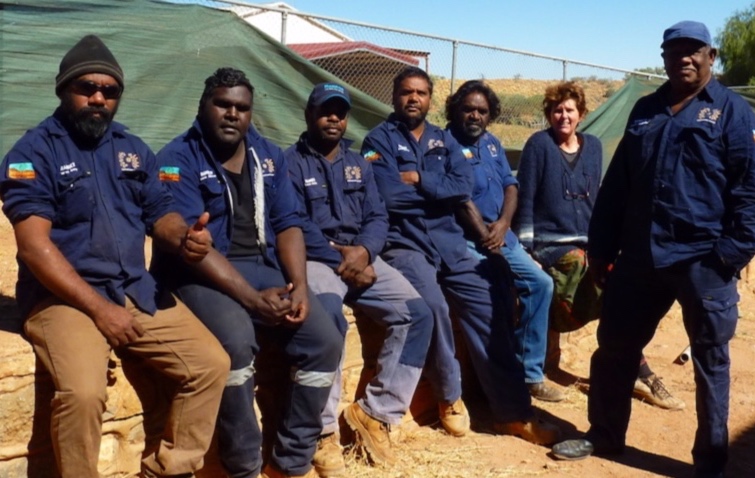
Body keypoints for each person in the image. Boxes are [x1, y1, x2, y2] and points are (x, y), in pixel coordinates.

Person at [550, 21, 755, 478]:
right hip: (639, 259)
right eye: (674, 52)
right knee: (614, 348)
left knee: (710, 358)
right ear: (665, 57)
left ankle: (710, 459)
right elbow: (617, 187)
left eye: (694, 51)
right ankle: (606, 435)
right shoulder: (645, 110)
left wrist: (728, 257)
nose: (684, 59)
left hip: (703, 260)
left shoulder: (732, 113)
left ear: (711, 56)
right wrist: (601, 249)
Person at [0, 35, 229, 478]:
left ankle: (167, 470)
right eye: (87, 87)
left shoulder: (132, 148)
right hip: (63, 299)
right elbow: (33, 246)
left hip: (133, 289)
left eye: (110, 90)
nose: (99, 97)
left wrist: (183, 238)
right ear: (64, 89)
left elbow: (159, 213)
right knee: (84, 394)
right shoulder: (32, 153)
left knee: (211, 365)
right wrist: (100, 311)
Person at [153, 68, 345, 478]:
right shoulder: (176, 159)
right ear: (204, 106)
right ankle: (243, 466)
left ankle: (291, 462)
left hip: (263, 266)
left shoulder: (268, 155)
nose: (232, 114)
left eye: (242, 107)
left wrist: (300, 288)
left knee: (325, 340)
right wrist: (253, 300)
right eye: (223, 104)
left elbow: (290, 223)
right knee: (236, 343)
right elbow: (194, 249)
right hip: (199, 274)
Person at [361, 66, 560, 445]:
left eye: (421, 92)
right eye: (406, 92)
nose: (413, 98)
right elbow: (387, 195)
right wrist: (440, 191)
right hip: (406, 244)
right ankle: (450, 398)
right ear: (395, 96)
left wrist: (420, 180)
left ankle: (512, 413)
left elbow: (462, 185)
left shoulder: (442, 140)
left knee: (488, 304)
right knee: (433, 307)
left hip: (450, 242)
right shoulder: (377, 141)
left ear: (430, 99)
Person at [284, 82, 433, 469]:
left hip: (363, 257)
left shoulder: (359, 163)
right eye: (325, 111)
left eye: (340, 112)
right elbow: (293, 222)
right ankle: (324, 431)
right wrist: (340, 258)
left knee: (418, 313)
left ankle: (376, 413)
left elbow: (378, 216)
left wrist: (365, 252)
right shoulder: (289, 163)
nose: (334, 118)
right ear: (309, 114)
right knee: (329, 323)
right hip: (318, 260)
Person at [514, 80, 686, 411]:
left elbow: (602, 198)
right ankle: (639, 371)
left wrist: (612, 240)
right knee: (592, 277)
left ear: (581, 114)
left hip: (589, 240)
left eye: (570, 110)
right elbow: (526, 199)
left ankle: (626, 366)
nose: (563, 116)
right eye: (557, 110)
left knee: (621, 281)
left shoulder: (592, 147)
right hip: (553, 246)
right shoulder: (538, 145)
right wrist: (527, 251)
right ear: (549, 114)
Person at [445, 81, 561, 402]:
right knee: (494, 293)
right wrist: (484, 235)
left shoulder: (492, 143)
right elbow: (458, 197)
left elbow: (511, 186)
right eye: (468, 109)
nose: (475, 116)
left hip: (501, 234)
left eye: (482, 111)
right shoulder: (444, 143)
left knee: (541, 284)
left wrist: (504, 223)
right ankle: (488, 384)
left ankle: (530, 373)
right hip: (468, 239)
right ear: (455, 109)